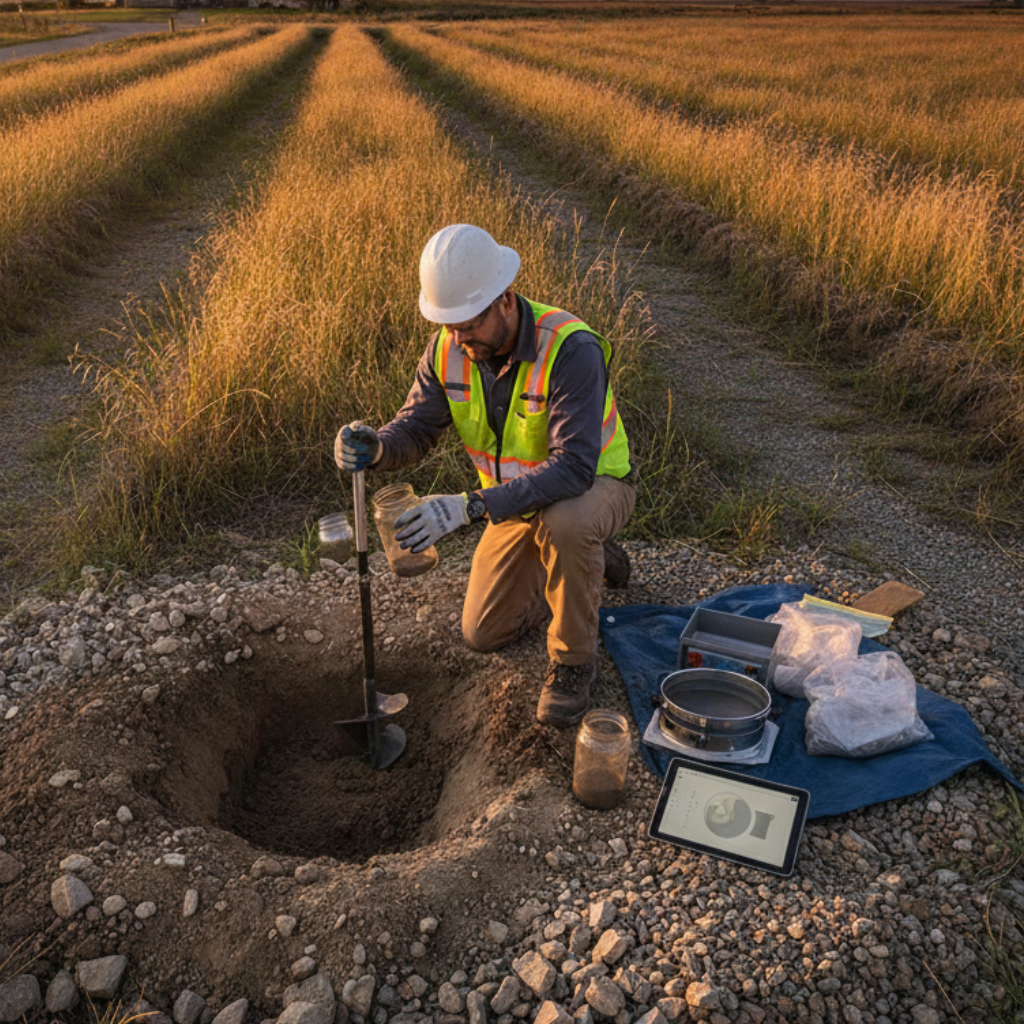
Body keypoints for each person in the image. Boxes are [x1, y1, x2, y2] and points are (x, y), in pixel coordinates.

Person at [335, 224, 636, 727]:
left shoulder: (570, 348)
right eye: (448, 325)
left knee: (566, 524)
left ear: (505, 300)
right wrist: (378, 446)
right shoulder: (448, 348)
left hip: (594, 486)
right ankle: (588, 563)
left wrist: (470, 506)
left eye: (468, 324)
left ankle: (573, 664)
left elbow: (574, 467)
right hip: (518, 502)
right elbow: (418, 426)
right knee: (483, 632)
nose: (458, 338)